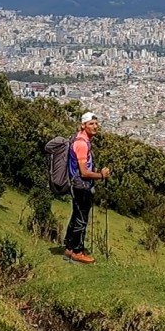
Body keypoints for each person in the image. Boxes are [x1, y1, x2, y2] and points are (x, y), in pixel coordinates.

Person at [64, 112, 111, 264]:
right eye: (91, 124)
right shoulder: (82, 144)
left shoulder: (80, 139)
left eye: (96, 123)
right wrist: (101, 175)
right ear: (83, 125)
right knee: (81, 219)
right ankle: (77, 251)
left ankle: (69, 247)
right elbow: (84, 172)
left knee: (76, 215)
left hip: (76, 183)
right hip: (80, 185)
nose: (95, 126)